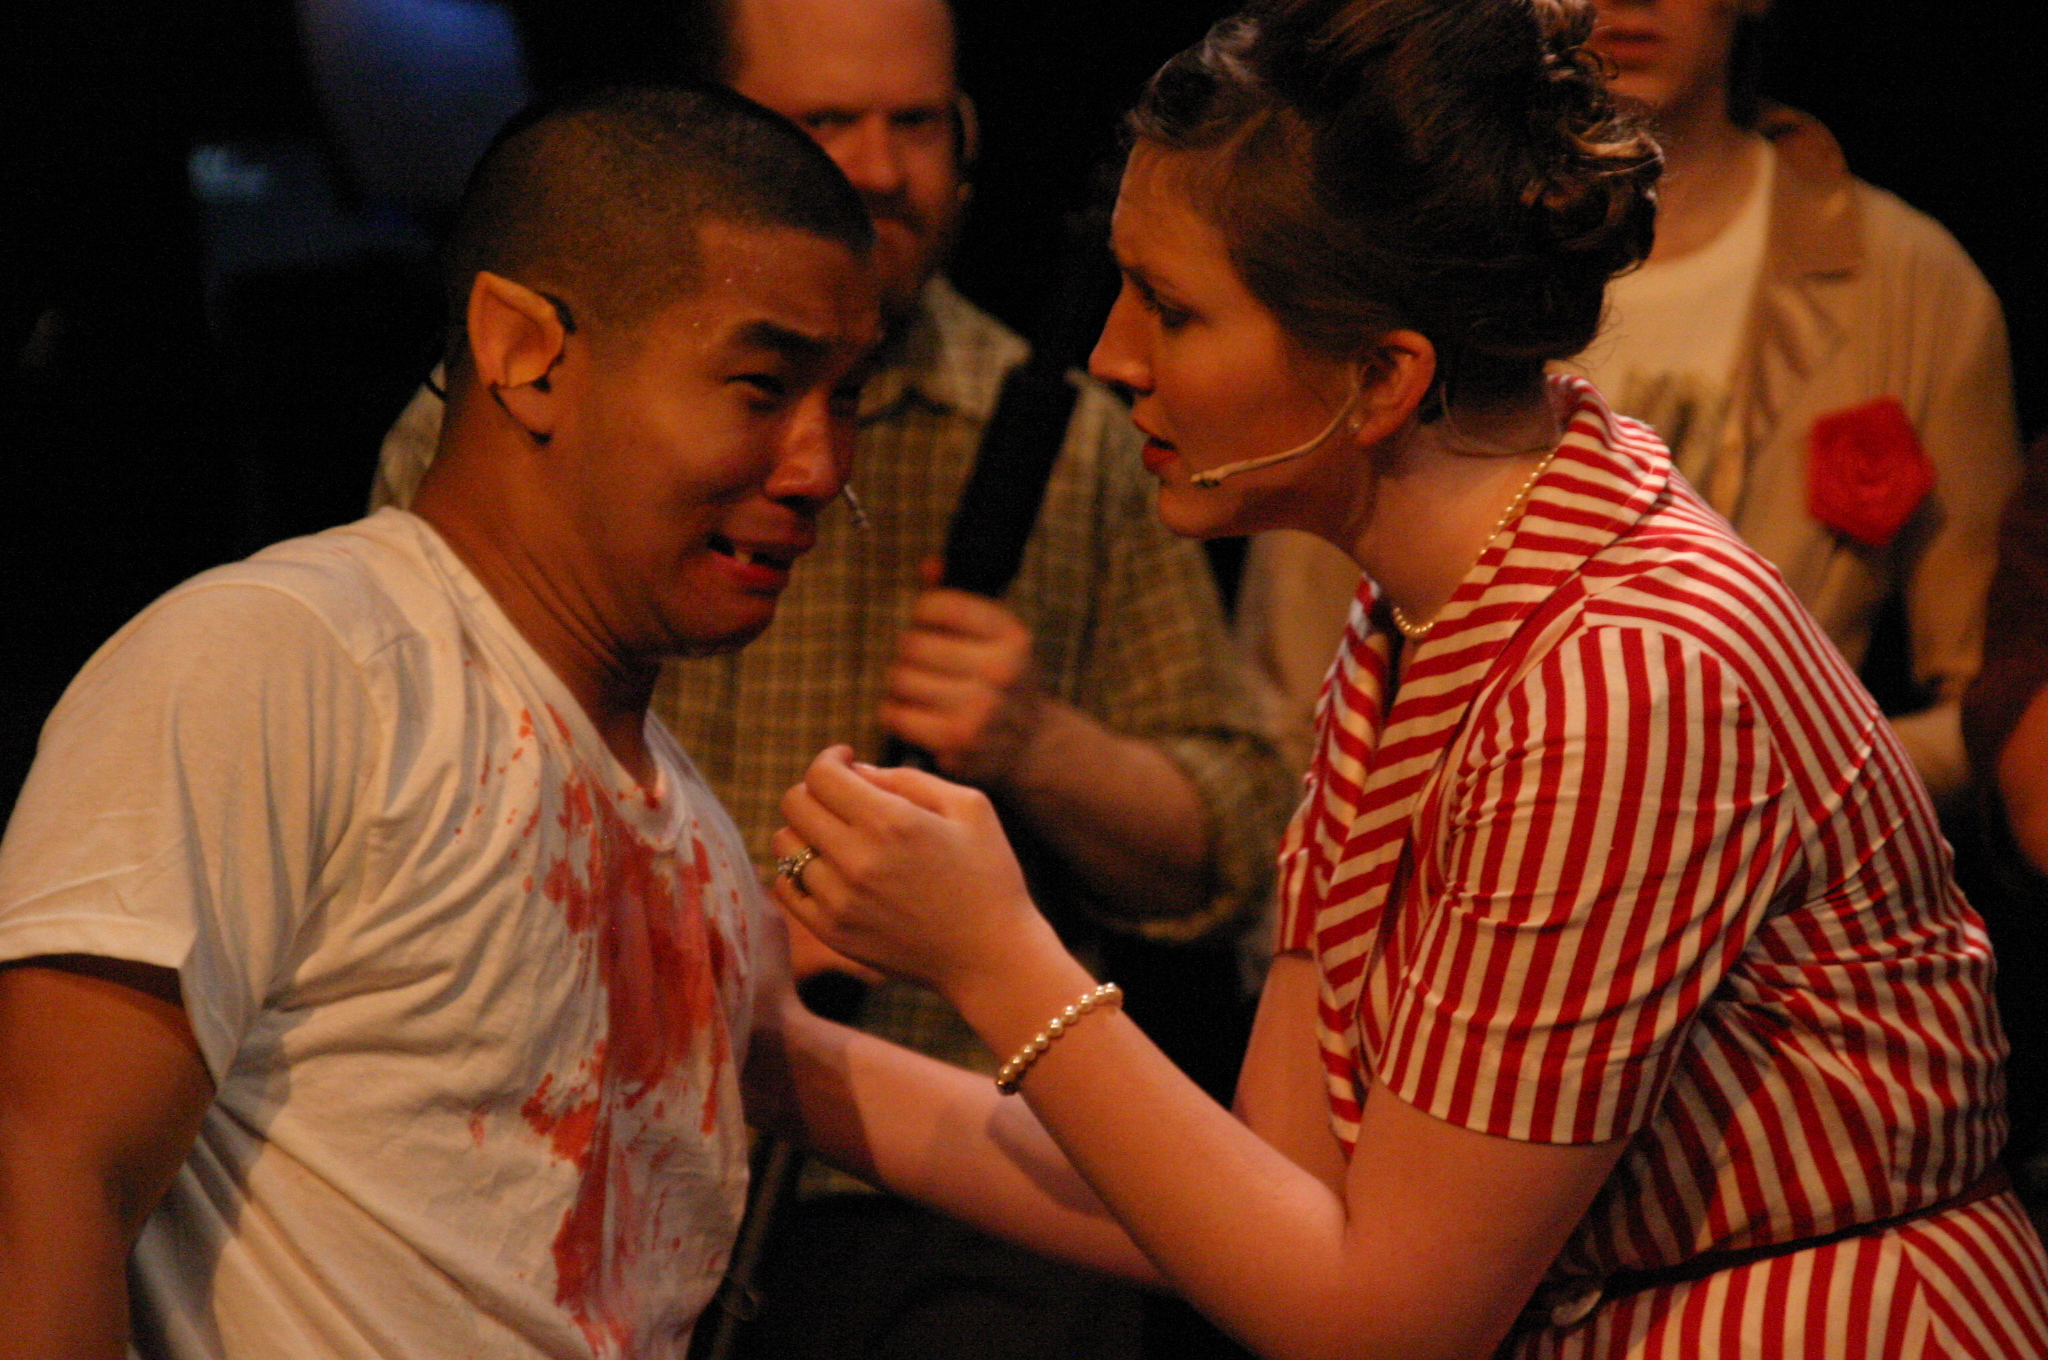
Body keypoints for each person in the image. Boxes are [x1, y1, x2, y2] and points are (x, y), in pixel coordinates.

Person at [766, 2, 2048, 1356]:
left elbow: (1380, 1325)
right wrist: (775, 1060)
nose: (1113, 356)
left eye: (1174, 309)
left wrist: (996, 956)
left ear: (1379, 379)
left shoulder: (1619, 681)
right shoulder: (1432, 616)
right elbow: (1265, 1206)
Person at [0, 84, 1142, 1360]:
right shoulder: (285, 660)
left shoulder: (687, 831)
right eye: (761, 386)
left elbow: (886, 1108)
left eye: (844, 399)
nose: (819, 468)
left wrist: (1249, 1201)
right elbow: (45, 1165)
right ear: (526, 352)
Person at [370, 1, 1292, 1354]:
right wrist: (714, 936)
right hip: (593, 1147)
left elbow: (1238, 840)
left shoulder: (1081, 440)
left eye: (913, 123)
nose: (875, 167)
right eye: (825, 126)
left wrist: (1039, 743)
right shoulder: (502, 434)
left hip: (957, 1192)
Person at [1233, 0, 2022, 802]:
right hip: (1439, 831)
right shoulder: (1393, 250)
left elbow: (2005, 704)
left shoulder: (1908, 286)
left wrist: (1771, 784)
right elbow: (1289, 693)